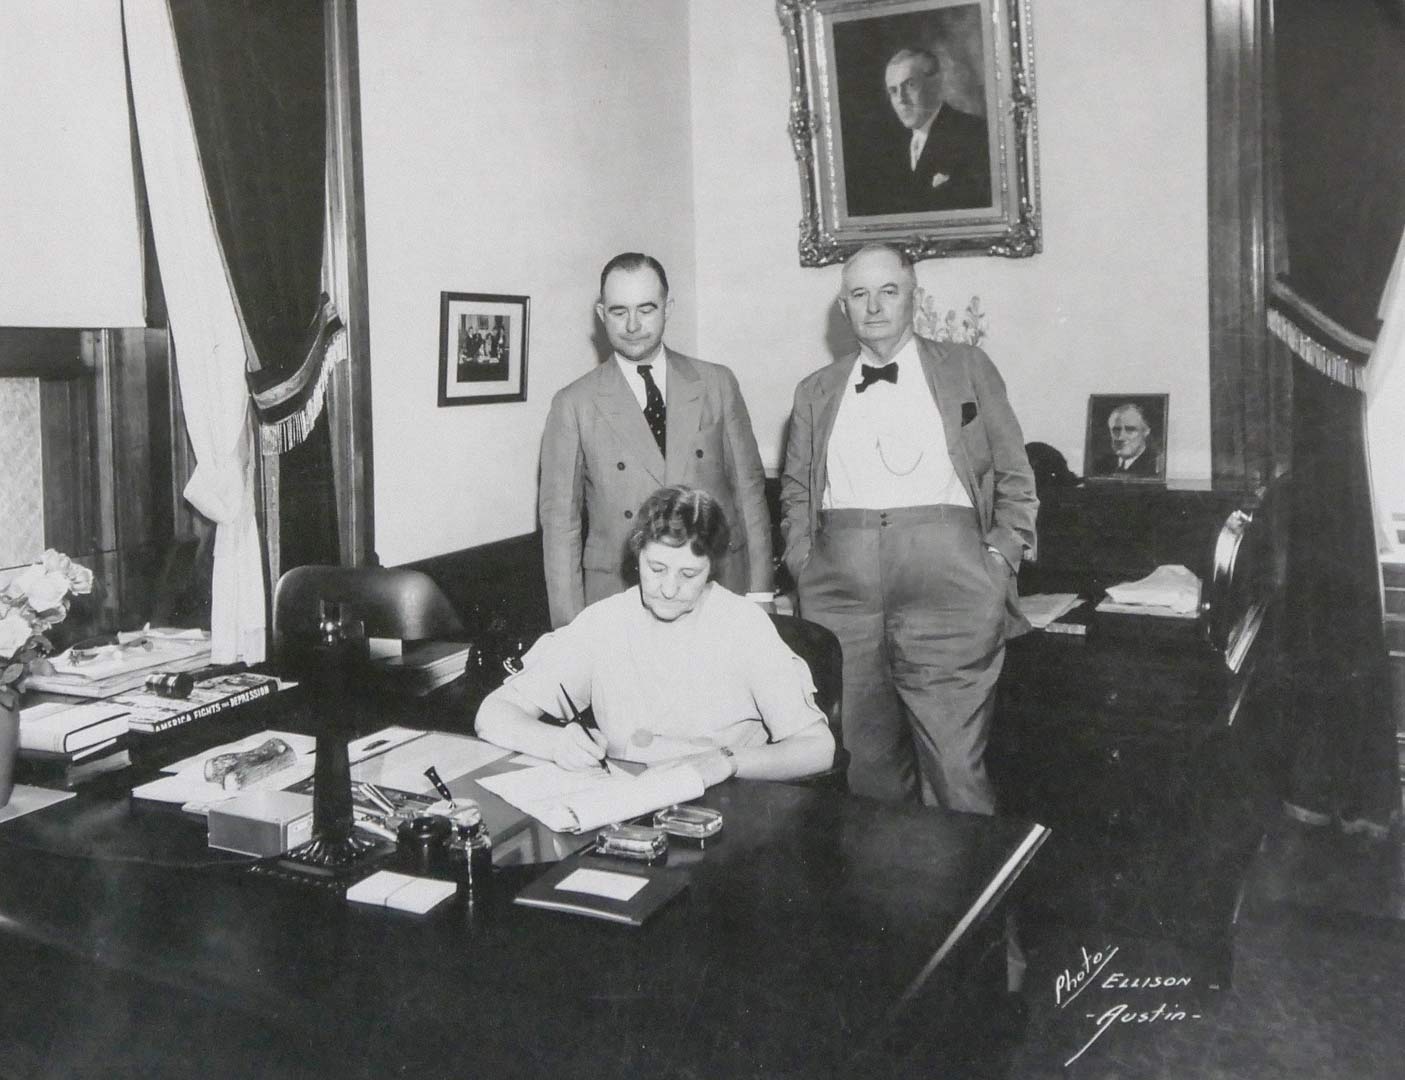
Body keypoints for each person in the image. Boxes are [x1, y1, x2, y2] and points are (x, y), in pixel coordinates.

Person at [780, 242, 1037, 813]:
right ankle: (886, 901)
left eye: (888, 291)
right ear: (842, 308)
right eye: (858, 294)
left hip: (950, 589)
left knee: (954, 767)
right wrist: (803, 561)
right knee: (862, 766)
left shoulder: (966, 367)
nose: (873, 306)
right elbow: (797, 491)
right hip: (840, 594)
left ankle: (973, 897)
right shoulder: (815, 391)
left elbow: (1016, 473)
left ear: (913, 298)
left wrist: (998, 559)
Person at [476, 486, 835, 786]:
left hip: (727, 807)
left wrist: (727, 761)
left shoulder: (744, 627)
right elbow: (492, 714)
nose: (668, 588)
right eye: (657, 568)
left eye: (689, 574)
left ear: (712, 569)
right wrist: (555, 742)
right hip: (627, 804)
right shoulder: (606, 622)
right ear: (638, 557)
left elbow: (818, 748)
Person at [539, 252, 773, 628]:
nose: (632, 324)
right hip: (619, 595)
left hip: (716, 584)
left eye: (646, 309)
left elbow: (749, 493)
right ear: (601, 314)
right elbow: (560, 526)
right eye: (618, 311)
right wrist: (569, 630)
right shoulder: (574, 404)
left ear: (668, 307)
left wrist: (761, 593)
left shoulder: (716, 384)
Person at [847, 47, 992, 217]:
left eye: (910, 85)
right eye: (893, 91)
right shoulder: (885, 146)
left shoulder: (976, 134)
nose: (901, 99)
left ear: (936, 84)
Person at [1091, 403, 1160, 477]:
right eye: (1116, 429)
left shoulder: (1156, 466)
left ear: (1146, 431)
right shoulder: (1100, 466)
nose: (1121, 437)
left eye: (1130, 429)